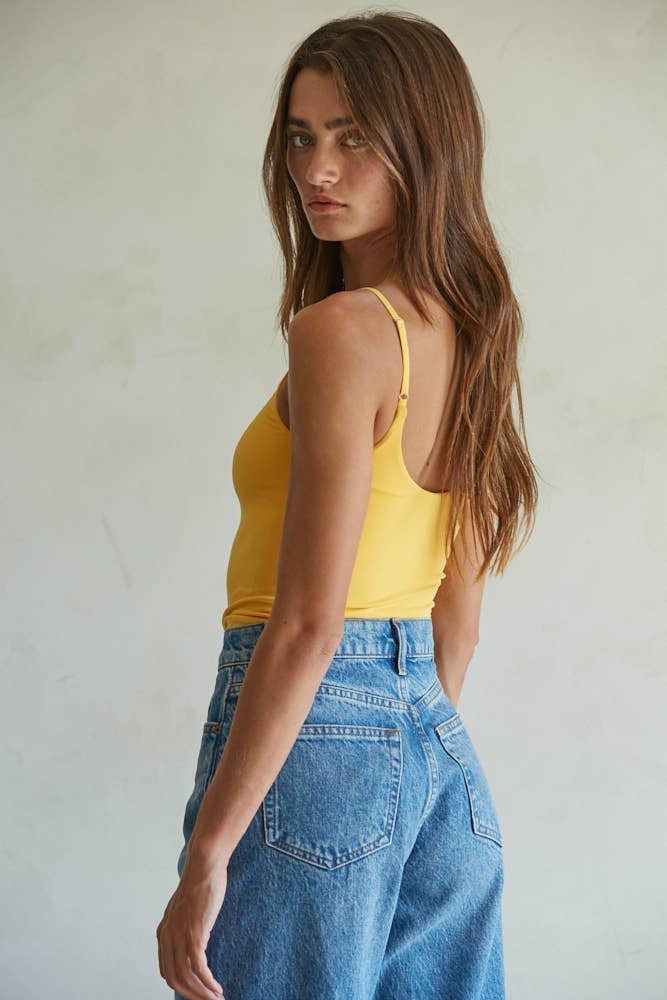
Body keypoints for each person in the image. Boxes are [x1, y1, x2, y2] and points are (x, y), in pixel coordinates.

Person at [157, 10, 539, 1000]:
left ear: (425, 145)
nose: (316, 169)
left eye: (353, 136)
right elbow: (457, 621)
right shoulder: (470, 335)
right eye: (300, 136)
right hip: (437, 754)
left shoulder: (339, 332)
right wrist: (395, 760)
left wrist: (207, 857)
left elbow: (308, 624)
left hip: (310, 737)